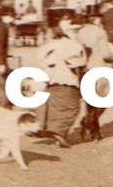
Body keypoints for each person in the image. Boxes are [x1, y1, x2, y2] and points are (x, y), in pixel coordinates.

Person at [34, 16, 85, 148]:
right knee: (73, 107)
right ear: (69, 32)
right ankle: (59, 133)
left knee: (56, 107)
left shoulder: (53, 43)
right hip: (67, 79)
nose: (77, 33)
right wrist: (78, 64)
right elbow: (76, 61)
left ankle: (58, 135)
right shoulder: (74, 45)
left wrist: (49, 65)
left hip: (52, 78)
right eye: (75, 31)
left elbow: (40, 56)